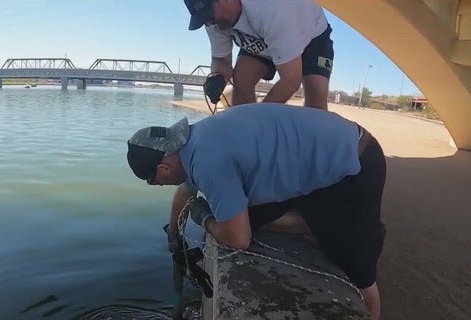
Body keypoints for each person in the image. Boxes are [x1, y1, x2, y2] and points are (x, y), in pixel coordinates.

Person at [126, 103, 386, 319]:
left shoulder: (208, 160)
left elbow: (239, 239)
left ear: (163, 170)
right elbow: (185, 191)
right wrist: (174, 234)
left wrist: (205, 220)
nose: (161, 185)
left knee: (361, 276)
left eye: (156, 182)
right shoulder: (195, 139)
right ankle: (318, 223)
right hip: (318, 158)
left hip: (355, 163)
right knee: (250, 216)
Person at [183, 0, 334, 109]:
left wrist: (257, 117)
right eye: (202, 19)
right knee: (242, 79)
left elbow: (291, 81)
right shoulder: (212, 22)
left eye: (208, 15)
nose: (208, 23)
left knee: (315, 107)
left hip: (312, 37)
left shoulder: (271, 9)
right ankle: (244, 137)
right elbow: (220, 59)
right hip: (259, 34)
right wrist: (217, 77)